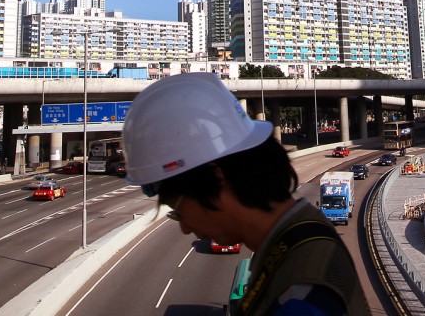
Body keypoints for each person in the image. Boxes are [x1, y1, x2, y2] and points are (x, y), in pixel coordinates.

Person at [124, 73, 371, 316]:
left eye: (177, 210)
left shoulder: (301, 296)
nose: (185, 229)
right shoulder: (300, 237)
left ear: (215, 179)